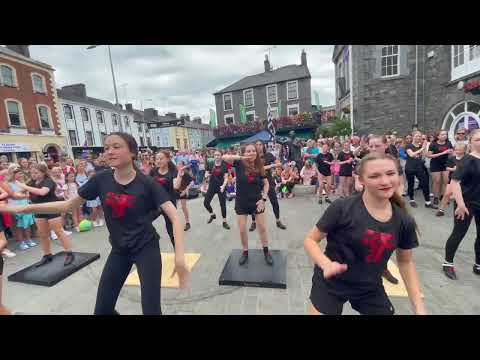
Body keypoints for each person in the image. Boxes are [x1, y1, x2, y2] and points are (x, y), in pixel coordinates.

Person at [1, 132, 189, 315]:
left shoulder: (147, 183)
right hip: (119, 250)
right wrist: (25, 208)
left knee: (151, 310)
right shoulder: (101, 179)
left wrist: (179, 256)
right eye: (107, 148)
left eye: (116, 146)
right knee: (102, 311)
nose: (110, 151)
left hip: (146, 248)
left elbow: (174, 216)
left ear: (132, 152)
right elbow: (67, 205)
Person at [304, 152, 426, 315]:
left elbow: (405, 262)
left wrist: (419, 307)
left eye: (390, 174)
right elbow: (310, 240)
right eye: (374, 176)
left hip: (369, 286)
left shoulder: (404, 221)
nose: (385, 181)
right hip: (331, 282)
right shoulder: (342, 208)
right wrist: (326, 264)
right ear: (361, 180)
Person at [222, 144, 274, 266]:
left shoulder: (259, 165)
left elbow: (266, 184)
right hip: (241, 202)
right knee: (241, 229)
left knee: (262, 228)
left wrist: (264, 199)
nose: (251, 153)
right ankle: (245, 252)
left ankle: (266, 251)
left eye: (253, 151)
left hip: (257, 201)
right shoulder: (239, 164)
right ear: (244, 153)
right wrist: (241, 158)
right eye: (248, 151)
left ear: (256, 153)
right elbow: (224, 157)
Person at [14, 163, 74, 266]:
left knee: (58, 231)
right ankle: (47, 255)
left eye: (36, 172)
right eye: (32, 172)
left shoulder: (49, 181)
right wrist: (13, 193)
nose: (33, 174)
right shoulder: (31, 182)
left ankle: (69, 253)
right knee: (43, 234)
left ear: (43, 172)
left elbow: (42, 192)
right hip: (38, 209)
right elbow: (19, 194)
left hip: (51, 208)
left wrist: (24, 186)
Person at [442, 129, 480, 280]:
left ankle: (478, 264)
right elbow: (455, 182)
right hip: (465, 203)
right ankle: (448, 263)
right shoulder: (467, 160)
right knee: (458, 233)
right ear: (470, 142)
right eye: (477, 139)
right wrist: (460, 204)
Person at [249, 141, 286, 232]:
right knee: (254, 203)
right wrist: (270, 166)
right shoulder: (253, 157)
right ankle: (253, 222)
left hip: (268, 181)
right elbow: (256, 169)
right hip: (256, 182)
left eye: (260, 145)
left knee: (274, 201)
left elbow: (278, 163)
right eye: (256, 145)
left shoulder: (269, 155)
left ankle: (278, 221)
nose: (258, 146)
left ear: (263, 146)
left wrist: (274, 165)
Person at [150, 150, 179, 247]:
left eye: (161, 159)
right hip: (156, 204)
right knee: (143, 221)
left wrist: (179, 175)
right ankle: (153, 237)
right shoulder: (153, 171)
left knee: (171, 231)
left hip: (169, 204)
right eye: (156, 159)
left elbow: (176, 186)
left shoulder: (173, 171)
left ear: (168, 159)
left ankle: (178, 251)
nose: (158, 161)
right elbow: (147, 184)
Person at [7, 166, 36, 250]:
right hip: (15, 206)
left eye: (21, 173)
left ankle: (28, 239)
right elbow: (11, 195)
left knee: (27, 224)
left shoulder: (22, 183)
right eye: (18, 173)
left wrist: (23, 194)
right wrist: (21, 194)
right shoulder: (8, 184)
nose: (20, 175)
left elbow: (27, 195)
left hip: (25, 205)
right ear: (12, 174)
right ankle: (21, 242)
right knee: (19, 226)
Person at [436, 143, 467, 217]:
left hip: (464, 180)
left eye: (460, 150)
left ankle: (463, 209)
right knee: (447, 194)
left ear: (464, 150)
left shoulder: (467, 158)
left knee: (464, 196)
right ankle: (441, 210)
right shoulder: (451, 158)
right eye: (456, 149)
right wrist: (453, 169)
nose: (457, 151)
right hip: (453, 179)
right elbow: (447, 168)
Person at [405, 131, 434, 208]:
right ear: (413, 136)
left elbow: (424, 155)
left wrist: (424, 149)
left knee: (425, 184)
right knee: (411, 184)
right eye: (417, 136)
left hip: (419, 167)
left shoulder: (421, 145)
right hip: (410, 168)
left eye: (420, 136)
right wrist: (422, 148)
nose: (418, 138)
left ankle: (427, 202)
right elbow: (411, 155)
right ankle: (412, 200)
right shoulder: (409, 146)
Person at [203, 150, 230, 230]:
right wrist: (206, 175)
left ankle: (224, 221)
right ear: (213, 156)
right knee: (206, 202)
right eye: (215, 155)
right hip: (212, 186)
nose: (217, 157)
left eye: (218, 155)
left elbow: (226, 177)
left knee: (223, 204)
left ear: (221, 156)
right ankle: (212, 214)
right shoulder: (210, 163)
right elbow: (206, 173)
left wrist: (223, 186)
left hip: (221, 186)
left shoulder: (224, 165)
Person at [427, 130, 453, 209]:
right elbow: (429, 156)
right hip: (435, 164)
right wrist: (444, 152)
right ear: (438, 136)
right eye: (442, 134)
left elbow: (451, 153)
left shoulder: (449, 143)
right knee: (437, 181)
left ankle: (443, 196)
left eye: (445, 134)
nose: (444, 136)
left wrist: (451, 153)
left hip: (445, 164)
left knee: (445, 181)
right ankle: (436, 197)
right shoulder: (433, 144)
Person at [175, 161, 193, 231]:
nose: (177, 165)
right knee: (173, 207)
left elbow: (192, 182)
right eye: (177, 164)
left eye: (179, 164)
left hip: (183, 191)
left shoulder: (185, 173)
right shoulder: (175, 172)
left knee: (183, 207)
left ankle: (187, 222)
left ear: (183, 165)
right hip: (176, 191)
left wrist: (186, 190)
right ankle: (175, 222)